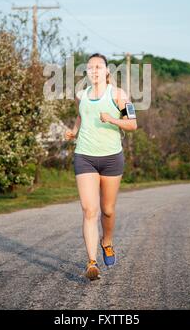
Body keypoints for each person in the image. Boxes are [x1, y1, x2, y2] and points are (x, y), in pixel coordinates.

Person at [64, 53, 137, 281]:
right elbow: (81, 115)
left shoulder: (118, 95)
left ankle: (107, 242)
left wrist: (113, 119)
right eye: (90, 67)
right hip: (84, 156)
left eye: (98, 67)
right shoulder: (81, 95)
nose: (94, 70)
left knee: (107, 210)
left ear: (106, 71)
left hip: (111, 158)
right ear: (86, 72)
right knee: (89, 210)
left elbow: (133, 124)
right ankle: (91, 262)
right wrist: (74, 131)